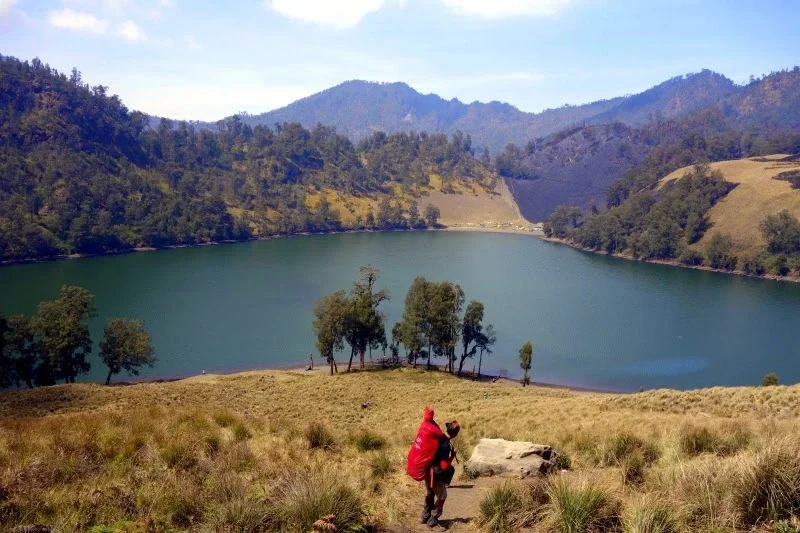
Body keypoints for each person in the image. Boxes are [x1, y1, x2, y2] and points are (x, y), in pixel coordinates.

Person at [421, 420, 460, 530]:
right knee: (442, 496)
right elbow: (443, 466)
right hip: (435, 473)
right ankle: (433, 520)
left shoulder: (438, 437)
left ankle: (424, 516)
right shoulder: (446, 445)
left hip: (427, 470)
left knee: (430, 493)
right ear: (455, 434)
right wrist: (452, 456)